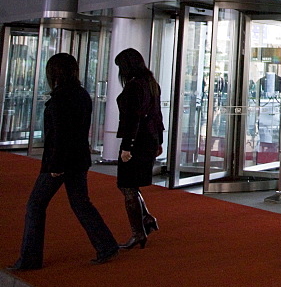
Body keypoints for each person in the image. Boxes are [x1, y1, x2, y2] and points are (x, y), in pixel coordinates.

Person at [8, 53, 119, 270]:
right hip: (79, 158)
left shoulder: (60, 99)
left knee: (35, 205)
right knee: (80, 202)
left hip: (60, 162)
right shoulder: (82, 95)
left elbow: (59, 135)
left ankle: (30, 258)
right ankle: (106, 244)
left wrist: (55, 166)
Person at [114, 47, 164, 250]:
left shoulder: (135, 86)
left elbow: (133, 118)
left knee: (126, 184)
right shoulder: (151, 83)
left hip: (136, 142)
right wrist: (159, 141)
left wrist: (127, 147)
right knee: (130, 184)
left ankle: (138, 231)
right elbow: (156, 115)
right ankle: (146, 221)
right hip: (149, 140)